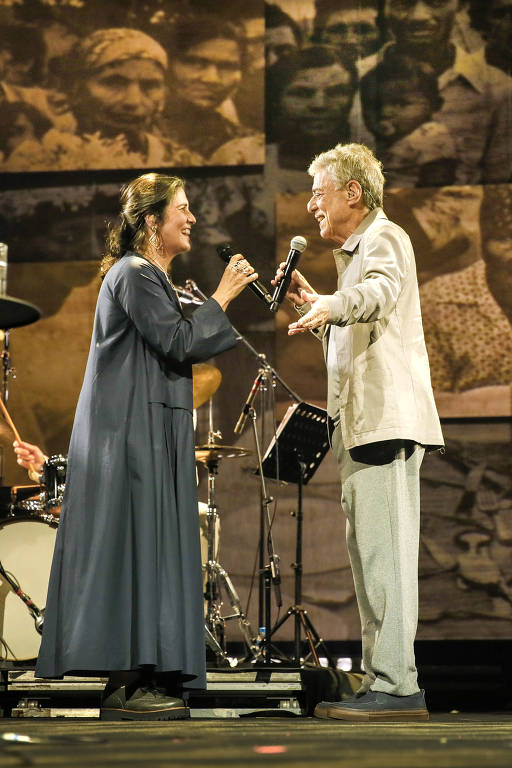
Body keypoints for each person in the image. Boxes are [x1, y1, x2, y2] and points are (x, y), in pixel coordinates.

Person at [32, 172, 258, 721]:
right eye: (182, 208)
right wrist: (224, 296)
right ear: (152, 221)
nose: (193, 217)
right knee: (135, 550)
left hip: (150, 429)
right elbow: (177, 341)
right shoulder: (134, 272)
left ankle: (151, 673)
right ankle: (127, 682)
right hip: (130, 433)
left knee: (152, 550)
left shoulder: (149, 276)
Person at [273, 143, 443, 721]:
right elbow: (362, 324)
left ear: (353, 192)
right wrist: (321, 311)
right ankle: (385, 680)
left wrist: (333, 303)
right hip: (360, 428)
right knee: (370, 561)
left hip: (386, 424)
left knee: (386, 559)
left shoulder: (385, 239)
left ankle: (398, 688)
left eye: (319, 193)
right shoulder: (355, 255)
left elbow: (378, 295)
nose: (312, 206)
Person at [380, 0, 512, 184]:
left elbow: (498, 186)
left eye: (436, 2)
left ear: (461, 6)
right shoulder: (351, 81)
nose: (419, 16)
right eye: (404, 3)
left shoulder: (496, 88)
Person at [360, 57, 457, 187]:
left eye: (400, 103)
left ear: (434, 105)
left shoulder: (431, 137)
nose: (385, 113)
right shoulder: (390, 141)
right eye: (374, 105)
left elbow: (436, 187)